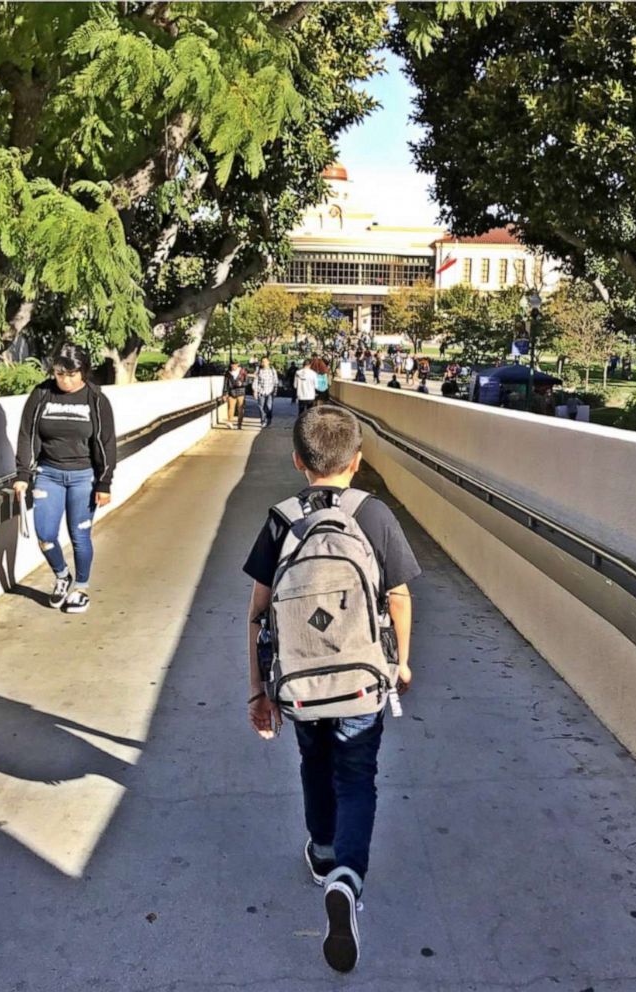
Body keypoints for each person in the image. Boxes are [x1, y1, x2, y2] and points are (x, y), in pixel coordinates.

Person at [243, 405, 420, 973]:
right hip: (362, 681)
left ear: (298, 460)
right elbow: (399, 597)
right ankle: (346, 876)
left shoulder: (282, 517)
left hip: (298, 682)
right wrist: (402, 664)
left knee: (313, 759)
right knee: (356, 773)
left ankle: (321, 852)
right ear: (358, 462)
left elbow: (257, 612)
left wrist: (258, 691)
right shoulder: (375, 515)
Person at [13, 344, 116, 614]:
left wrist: (104, 483)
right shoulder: (42, 394)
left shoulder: (95, 398)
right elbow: (27, 434)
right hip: (48, 474)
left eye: (72, 374)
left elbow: (106, 442)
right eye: (60, 374)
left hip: (84, 477)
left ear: (83, 371)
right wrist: (23, 474)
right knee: (45, 534)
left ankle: (81, 588)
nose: (65, 380)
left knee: (80, 536)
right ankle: (62, 576)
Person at [252, 356, 279, 428]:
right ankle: (263, 421)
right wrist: (255, 391)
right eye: (262, 361)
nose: (264, 363)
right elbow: (256, 381)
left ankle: (269, 419)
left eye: (265, 361)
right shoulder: (259, 371)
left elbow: (276, 381)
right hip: (261, 392)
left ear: (268, 362)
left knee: (269, 407)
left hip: (270, 392)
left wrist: (275, 392)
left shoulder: (272, 371)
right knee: (261, 407)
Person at [223, 359, 248, 430]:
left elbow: (247, 381)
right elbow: (225, 384)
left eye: (235, 364)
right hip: (232, 392)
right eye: (232, 364)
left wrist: (242, 384)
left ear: (238, 364)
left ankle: (239, 424)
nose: (233, 365)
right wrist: (225, 393)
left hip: (241, 392)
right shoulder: (228, 373)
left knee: (240, 409)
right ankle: (230, 422)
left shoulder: (243, 371)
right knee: (231, 408)